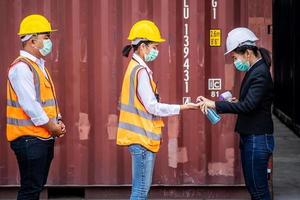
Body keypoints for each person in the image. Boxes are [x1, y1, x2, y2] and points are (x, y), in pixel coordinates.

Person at [116, 19, 200, 200]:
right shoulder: (140, 71)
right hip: (142, 139)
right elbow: (153, 107)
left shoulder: (133, 68)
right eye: (154, 46)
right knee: (140, 192)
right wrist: (183, 107)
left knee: (139, 191)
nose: (156, 51)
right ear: (143, 47)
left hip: (139, 138)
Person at [198, 27, 274, 200]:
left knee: (259, 190)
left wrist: (215, 104)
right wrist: (235, 102)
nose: (234, 61)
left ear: (247, 53)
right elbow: (251, 103)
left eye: (234, 57)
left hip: (258, 139)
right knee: (253, 187)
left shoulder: (260, 73)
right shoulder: (255, 70)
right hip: (252, 137)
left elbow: (248, 106)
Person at [7, 14, 66, 200]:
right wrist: (52, 126)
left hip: (41, 136)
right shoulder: (21, 68)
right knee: (30, 190)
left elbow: (45, 101)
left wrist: (58, 122)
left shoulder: (39, 66)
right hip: (29, 139)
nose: (49, 41)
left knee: (36, 187)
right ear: (33, 40)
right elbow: (30, 105)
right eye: (46, 37)